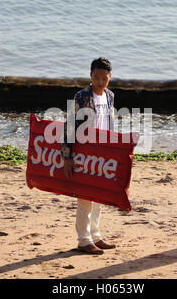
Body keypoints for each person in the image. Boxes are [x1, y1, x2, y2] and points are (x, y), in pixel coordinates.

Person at [61, 57, 117, 255]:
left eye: (104, 78)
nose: (100, 82)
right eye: (96, 77)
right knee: (85, 196)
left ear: (110, 77)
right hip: (84, 151)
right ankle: (83, 240)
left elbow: (110, 125)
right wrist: (67, 156)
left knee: (99, 196)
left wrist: (113, 151)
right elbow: (69, 125)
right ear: (90, 76)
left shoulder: (110, 95)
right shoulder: (81, 96)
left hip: (102, 152)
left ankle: (96, 235)